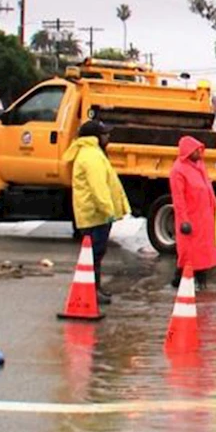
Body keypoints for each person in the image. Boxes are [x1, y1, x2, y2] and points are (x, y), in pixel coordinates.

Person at [62, 120, 131, 305]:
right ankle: (91, 291)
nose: (108, 137)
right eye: (105, 134)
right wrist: (108, 211)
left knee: (95, 255)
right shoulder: (92, 156)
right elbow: (98, 188)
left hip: (94, 215)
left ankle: (94, 289)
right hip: (95, 216)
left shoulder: (91, 153)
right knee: (94, 255)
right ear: (95, 137)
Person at [169, 136, 216, 290]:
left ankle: (197, 281)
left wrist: (214, 210)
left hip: (203, 218)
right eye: (196, 149)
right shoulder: (178, 170)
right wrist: (184, 220)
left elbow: (208, 190)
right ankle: (186, 281)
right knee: (190, 254)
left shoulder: (199, 166)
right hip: (192, 218)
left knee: (202, 253)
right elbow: (179, 198)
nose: (199, 152)